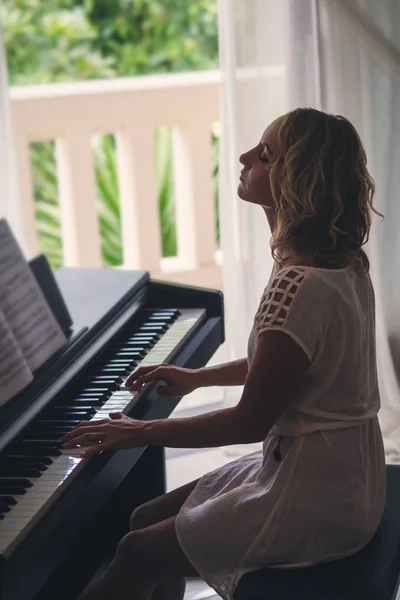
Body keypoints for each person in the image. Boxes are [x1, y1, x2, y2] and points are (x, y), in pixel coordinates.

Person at [62, 107, 386, 600]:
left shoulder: (297, 286)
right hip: (348, 474)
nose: (242, 157)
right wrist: (198, 378)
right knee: (144, 517)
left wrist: (137, 432)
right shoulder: (343, 266)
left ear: (296, 180)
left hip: (316, 493)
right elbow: (292, 369)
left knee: (135, 550)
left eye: (264, 155)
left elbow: (248, 423)